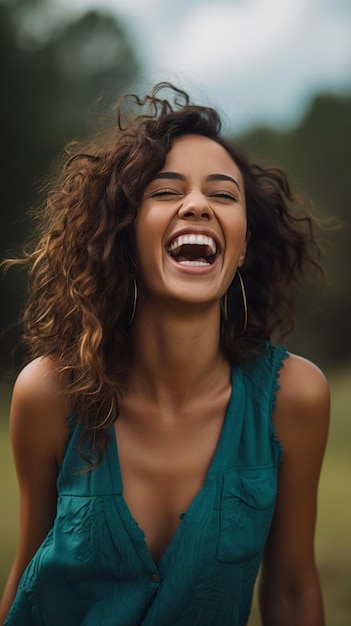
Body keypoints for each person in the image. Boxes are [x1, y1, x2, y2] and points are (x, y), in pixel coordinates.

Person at [0, 82, 330, 626]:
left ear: (243, 243)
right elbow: (25, 572)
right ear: (125, 234)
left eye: (223, 195)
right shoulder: (48, 393)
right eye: (165, 191)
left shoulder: (294, 398)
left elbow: (293, 589)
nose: (197, 204)